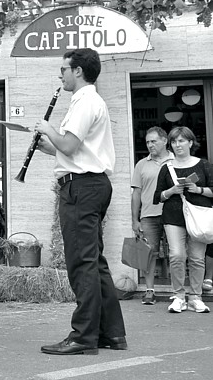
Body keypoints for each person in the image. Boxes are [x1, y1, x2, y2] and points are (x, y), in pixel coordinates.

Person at [35, 48, 126, 355]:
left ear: (78, 71)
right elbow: (73, 151)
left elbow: (70, 145)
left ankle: (83, 336)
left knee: (82, 264)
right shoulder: (89, 100)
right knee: (95, 263)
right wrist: (48, 145)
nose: (60, 74)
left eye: (64, 69)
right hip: (90, 184)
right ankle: (111, 334)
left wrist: (48, 129)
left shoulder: (85, 101)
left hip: (82, 188)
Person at [153, 126, 213, 313]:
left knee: (196, 258)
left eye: (181, 141)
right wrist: (171, 191)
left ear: (190, 142)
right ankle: (178, 296)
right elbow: (157, 197)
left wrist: (199, 190)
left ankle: (195, 296)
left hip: (198, 216)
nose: (177, 145)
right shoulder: (167, 168)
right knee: (177, 255)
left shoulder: (203, 164)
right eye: (174, 141)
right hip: (173, 216)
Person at [131, 127, 173, 305]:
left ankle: (178, 293)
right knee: (149, 254)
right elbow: (136, 194)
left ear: (164, 141)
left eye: (153, 141)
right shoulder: (141, 164)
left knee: (177, 253)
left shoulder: (176, 161)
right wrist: (135, 219)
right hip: (148, 215)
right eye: (147, 142)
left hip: (174, 215)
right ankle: (149, 291)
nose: (150, 145)